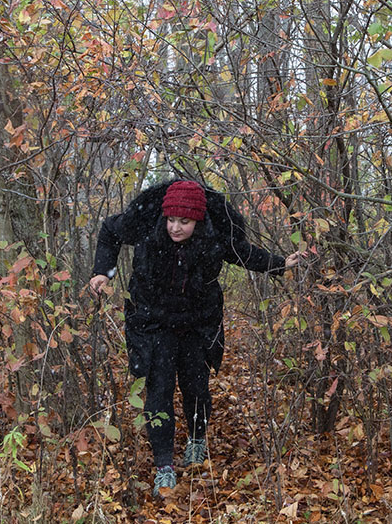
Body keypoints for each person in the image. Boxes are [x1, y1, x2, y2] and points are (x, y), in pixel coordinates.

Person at [88, 179, 305, 497]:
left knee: (195, 387)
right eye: (172, 220)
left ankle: (197, 438)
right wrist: (101, 271)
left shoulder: (215, 236)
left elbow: (245, 254)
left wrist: (281, 265)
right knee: (158, 391)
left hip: (196, 323)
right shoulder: (147, 224)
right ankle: (164, 465)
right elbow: (109, 231)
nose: (176, 227)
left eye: (184, 222)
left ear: (198, 220)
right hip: (152, 322)